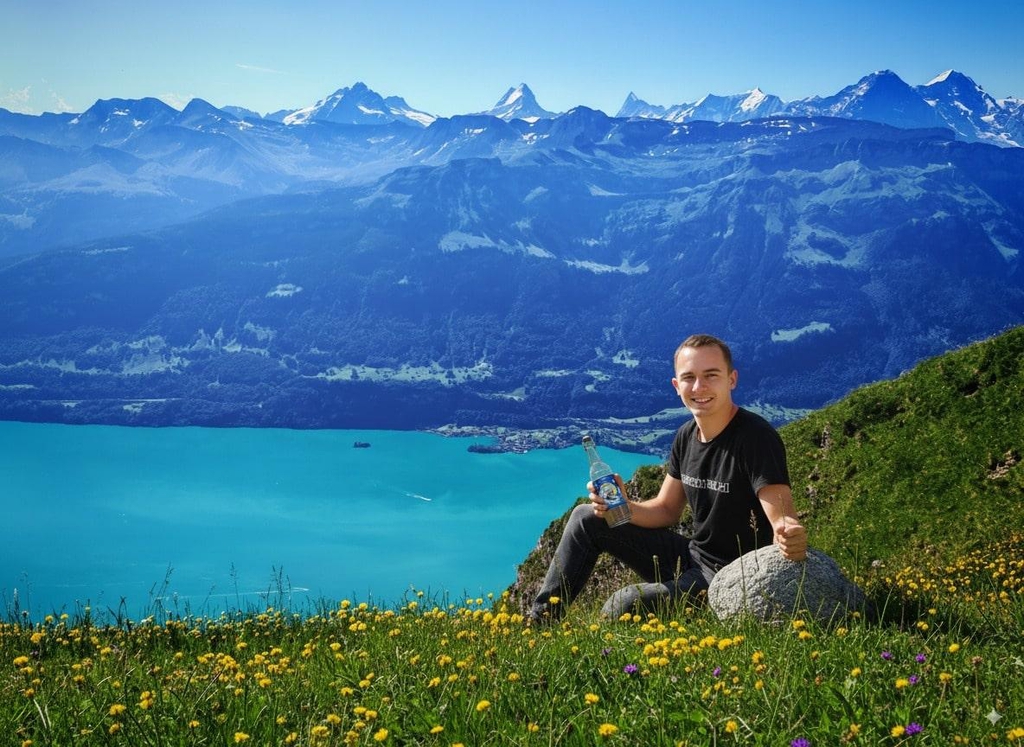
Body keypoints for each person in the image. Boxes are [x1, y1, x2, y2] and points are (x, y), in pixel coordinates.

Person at [530, 334, 808, 621]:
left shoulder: (756, 437)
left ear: (732, 379)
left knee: (622, 605)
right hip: (692, 557)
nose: (699, 387)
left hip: (729, 577)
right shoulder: (686, 435)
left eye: (711, 375)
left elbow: (782, 512)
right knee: (586, 517)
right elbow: (665, 510)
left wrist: (789, 531)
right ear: (677, 386)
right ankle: (540, 623)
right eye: (689, 378)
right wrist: (623, 506)